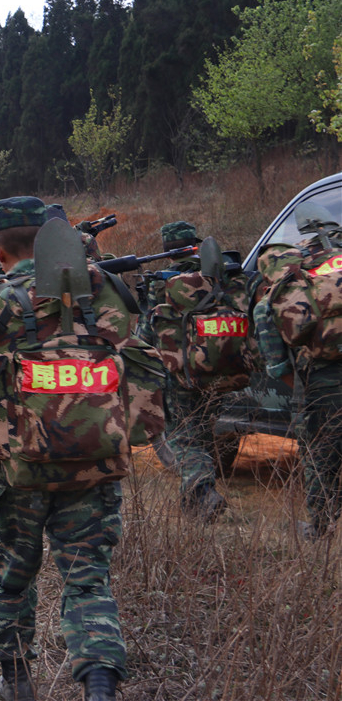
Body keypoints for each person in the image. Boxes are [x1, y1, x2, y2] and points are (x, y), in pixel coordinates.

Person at [0, 197, 134, 701]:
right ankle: (99, 685)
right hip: (94, 467)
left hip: (18, 474)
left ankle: (16, 682)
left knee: (13, 579)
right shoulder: (104, 290)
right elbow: (136, 360)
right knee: (88, 583)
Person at [253, 206, 342, 540]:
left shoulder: (296, 272)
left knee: (320, 452)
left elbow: (270, 339)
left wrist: (296, 383)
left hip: (322, 376)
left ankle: (320, 527)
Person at [137, 221, 227, 522]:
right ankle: (194, 506)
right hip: (216, 368)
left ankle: (205, 493)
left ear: (166, 251)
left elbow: (146, 333)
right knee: (201, 434)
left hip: (177, 372)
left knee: (181, 439)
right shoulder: (216, 274)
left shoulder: (161, 282)